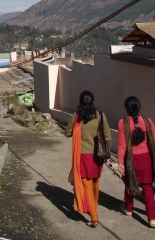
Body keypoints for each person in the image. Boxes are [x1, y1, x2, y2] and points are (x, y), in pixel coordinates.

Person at [65, 90, 111, 227]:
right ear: (93, 102)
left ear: (80, 102)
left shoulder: (77, 117)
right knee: (95, 183)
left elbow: (67, 133)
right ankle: (93, 207)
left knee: (87, 186)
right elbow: (107, 137)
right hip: (98, 156)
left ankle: (94, 217)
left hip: (83, 156)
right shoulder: (100, 116)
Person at [117, 96, 155, 228]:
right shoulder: (148, 121)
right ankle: (152, 218)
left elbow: (122, 145)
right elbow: (154, 142)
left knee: (130, 184)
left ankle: (129, 208)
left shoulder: (123, 123)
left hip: (131, 160)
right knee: (148, 187)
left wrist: (120, 161)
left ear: (127, 108)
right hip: (147, 158)